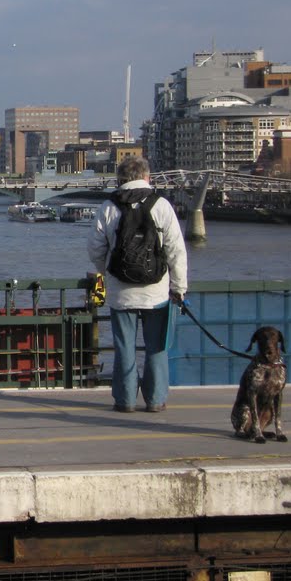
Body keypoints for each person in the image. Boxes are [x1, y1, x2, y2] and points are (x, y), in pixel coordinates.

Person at [87, 155, 188, 413]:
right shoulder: (161, 205)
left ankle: (125, 400)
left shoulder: (109, 207)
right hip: (157, 292)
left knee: (124, 347)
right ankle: (155, 400)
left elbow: (95, 248)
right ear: (146, 177)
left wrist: (107, 272)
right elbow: (176, 250)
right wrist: (179, 287)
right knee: (156, 348)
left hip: (121, 292)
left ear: (121, 179)